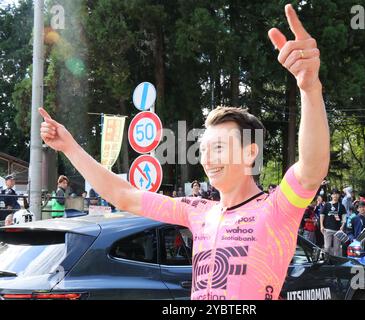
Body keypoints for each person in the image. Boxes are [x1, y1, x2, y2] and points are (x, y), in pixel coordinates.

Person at [39, 4, 329, 300]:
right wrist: (70, 147)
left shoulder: (277, 208)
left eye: (218, 148)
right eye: (203, 149)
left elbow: (311, 168)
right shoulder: (197, 211)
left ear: (249, 152)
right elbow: (123, 195)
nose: (208, 159)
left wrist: (309, 88)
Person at [320, 189, 347, 256]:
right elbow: (322, 215)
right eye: (333, 194)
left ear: (339, 195)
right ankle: (326, 260)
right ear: (331, 195)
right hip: (327, 229)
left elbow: (344, 218)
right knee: (327, 246)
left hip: (338, 230)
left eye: (337, 194)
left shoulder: (341, 206)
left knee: (337, 247)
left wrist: (342, 226)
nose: (335, 195)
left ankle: (336, 262)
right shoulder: (327, 205)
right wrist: (321, 226)